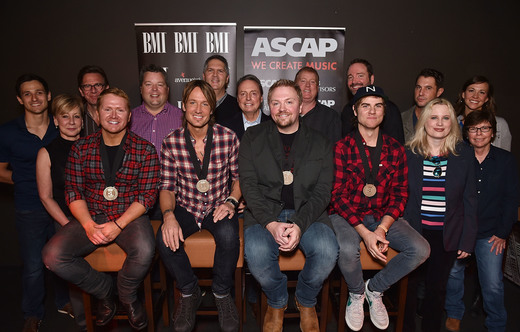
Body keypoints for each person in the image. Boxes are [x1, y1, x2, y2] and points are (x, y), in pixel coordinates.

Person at [43, 88, 159, 331]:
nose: (113, 115)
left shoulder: (145, 150)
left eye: (120, 109)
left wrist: (117, 225)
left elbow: (147, 196)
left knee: (146, 249)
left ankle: (126, 296)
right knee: (52, 256)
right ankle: (104, 290)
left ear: (129, 116)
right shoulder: (81, 148)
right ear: (97, 114)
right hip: (91, 213)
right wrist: (87, 224)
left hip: (128, 216)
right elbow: (73, 191)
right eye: (107, 109)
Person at [240, 79, 339, 332]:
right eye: (275, 102)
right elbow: (249, 187)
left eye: (289, 102)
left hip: (308, 212)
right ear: (268, 106)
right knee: (258, 256)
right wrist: (271, 224)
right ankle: (276, 301)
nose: (282, 108)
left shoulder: (321, 142)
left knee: (327, 252)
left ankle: (306, 300)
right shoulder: (252, 137)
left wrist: (298, 224)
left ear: (300, 106)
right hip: (264, 214)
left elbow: (322, 191)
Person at [330, 85, 430, 332]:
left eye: (378, 105)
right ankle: (356, 293)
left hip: (384, 216)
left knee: (421, 249)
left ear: (384, 111)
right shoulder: (342, 147)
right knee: (346, 247)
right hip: (348, 216)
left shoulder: (396, 149)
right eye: (365, 105)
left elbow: (400, 194)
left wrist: (383, 228)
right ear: (355, 110)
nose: (372, 111)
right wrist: (365, 232)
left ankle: (374, 289)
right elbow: (337, 196)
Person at [157, 80, 241, 332]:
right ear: (184, 106)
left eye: (205, 103)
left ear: (212, 107)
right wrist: (169, 215)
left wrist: (231, 200)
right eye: (193, 102)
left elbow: (239, 180)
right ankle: (189, 290)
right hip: (186, 206)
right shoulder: (171, 142)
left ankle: (222, 293)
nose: (198, 109)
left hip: (218, 205)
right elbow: (167, 187)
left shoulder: (228, 137)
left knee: (228, 235)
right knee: (164, 239)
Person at [0, 74, 71, 332]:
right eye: (27, 94)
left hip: (63, 205)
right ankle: (32, 313)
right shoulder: (8, 132)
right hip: (29, 205)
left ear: (48, 95)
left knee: (63, 258)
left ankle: (65, 302)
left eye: (39, 92)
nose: (34, 98)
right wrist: (28, 181)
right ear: (20, 99)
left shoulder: (61, 126)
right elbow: (0, 171)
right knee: (32, 265)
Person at [403, 98, 477, 332]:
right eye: (434, 117)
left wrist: (467, 239)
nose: (439, 123)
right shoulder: (409, 153)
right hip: (414, 232)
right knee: (409, 288)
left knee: (437, 289)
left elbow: (471, 201)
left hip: (446, 234)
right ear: (424, 121)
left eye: (446, 118)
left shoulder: (464, 154)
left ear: (453, 123)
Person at [444, 110, 519, 332]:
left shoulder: (506, 161)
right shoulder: (456, 157)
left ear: (493, 132)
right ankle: (454, 313)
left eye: (484, 128)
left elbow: (511, 199)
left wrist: (503, 232)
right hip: (460, 231)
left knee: (493, 284)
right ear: (466, 133)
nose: (479, 133)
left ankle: (496, 323)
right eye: (473, 129)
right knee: (453, 275)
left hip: (490, 233)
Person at [36, 94, 85, 329]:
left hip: (95, 219)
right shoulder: (46, 153)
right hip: (64, 220)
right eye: (65, 116)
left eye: (76, 116)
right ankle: (85, 322)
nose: (71, 121)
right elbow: (46, 196)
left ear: (83, 121)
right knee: (73, 271)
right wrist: (67, 224)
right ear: (56, 120)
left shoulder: (94, 146)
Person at [130, 64, 183, 219]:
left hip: (174, 195)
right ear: (141, 89)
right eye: (149, 84)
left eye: (159, 85)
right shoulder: (128, 119)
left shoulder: (182, 119)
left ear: (167, 89)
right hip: (136, 195)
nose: (154, 90)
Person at [340, 59, 404, 144]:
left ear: (371, 79)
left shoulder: (390, 109)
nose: (354, 81)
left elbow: (397, 147)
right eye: (350, 77)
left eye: (360, 76)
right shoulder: (347, 110)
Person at [455, 76, 511, 151]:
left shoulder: (500, 124)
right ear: (463, 94)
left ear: (486, 98)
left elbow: (505, 157)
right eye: (471, 90)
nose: (475, 96)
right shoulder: (452, 123)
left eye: (481, 92)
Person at [294, 66, 341, 143]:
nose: (308, 85)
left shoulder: (330, 117)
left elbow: (334, 150)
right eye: (303, 81)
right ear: (295, 86)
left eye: (312, 82)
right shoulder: (286, 114)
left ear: (317, 88)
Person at [220, 74, 270, 140]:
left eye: (253, 93)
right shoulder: (225, 128)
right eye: (243, 94)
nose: (248, 98)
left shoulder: (273, 126)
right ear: (237, 99)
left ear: (261, 98)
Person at [401, 68, 445, 143]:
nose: (421, 93)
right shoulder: (401, 119)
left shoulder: (446, 121)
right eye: (418, 87)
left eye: (428, 88)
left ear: (439, 92)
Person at [202, 55, 241, 123]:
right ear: (204, 76)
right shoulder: (196, 106)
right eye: (210, 70)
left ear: (227, 78)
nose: (215, 75)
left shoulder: (238, 107)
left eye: (220, 71)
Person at [77, 65, 109, 136]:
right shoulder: (76, 116)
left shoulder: (118, 115)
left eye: (98, 85)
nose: (93, 90)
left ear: (107, 88)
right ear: (81, 91)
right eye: (87, 86)